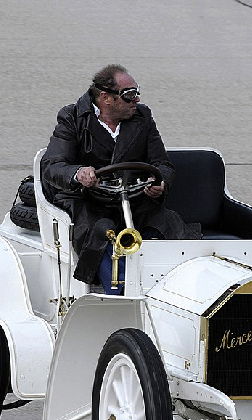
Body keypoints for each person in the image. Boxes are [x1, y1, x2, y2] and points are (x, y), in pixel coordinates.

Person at [41, 64, 199, 294]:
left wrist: (160, 183)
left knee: (167, 223)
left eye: (136, 92)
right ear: (106, 98)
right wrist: (79, 173)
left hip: (134, 200)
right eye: (129, 95)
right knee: (100, 232)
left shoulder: (143, 117)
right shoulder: (73, 117)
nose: (136, 100)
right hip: (88, 202)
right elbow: (52, 165)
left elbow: (162, 164)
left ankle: (180, 290)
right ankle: (120, 293)